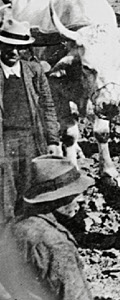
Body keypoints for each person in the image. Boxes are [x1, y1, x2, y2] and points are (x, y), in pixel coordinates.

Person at [0, 154, 94, 300]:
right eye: (74, 193)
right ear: (56, 199)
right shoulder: (56, 244)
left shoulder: (14, 226)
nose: (81, 200)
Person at [0, 17, 61, 225]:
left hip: (30, 141)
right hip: (4, 142)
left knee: (30, 194)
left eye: (20, 48)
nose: (14, 53)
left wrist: (53, 141)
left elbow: (48, 107)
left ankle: (28, 240)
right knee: (5, 197)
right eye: (9, 47)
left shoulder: (33, 71)